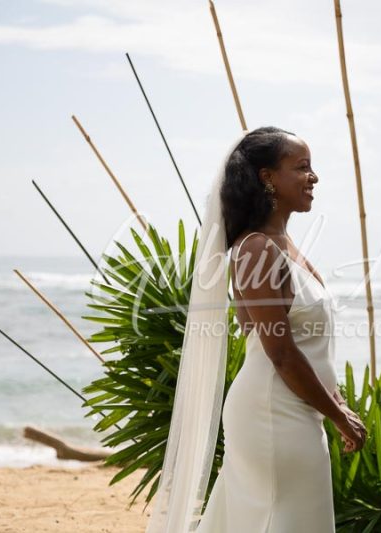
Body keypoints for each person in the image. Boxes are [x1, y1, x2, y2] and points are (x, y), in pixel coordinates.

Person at [146, 126, 366, 533]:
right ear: (268, 177)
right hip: (272, 413)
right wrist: (337, 416)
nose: (313, 177)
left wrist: (334, 400)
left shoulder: (285, 245)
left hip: (299, 410)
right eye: (302, 167)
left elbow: (308, 340)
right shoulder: (255, 249)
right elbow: (280, 352)